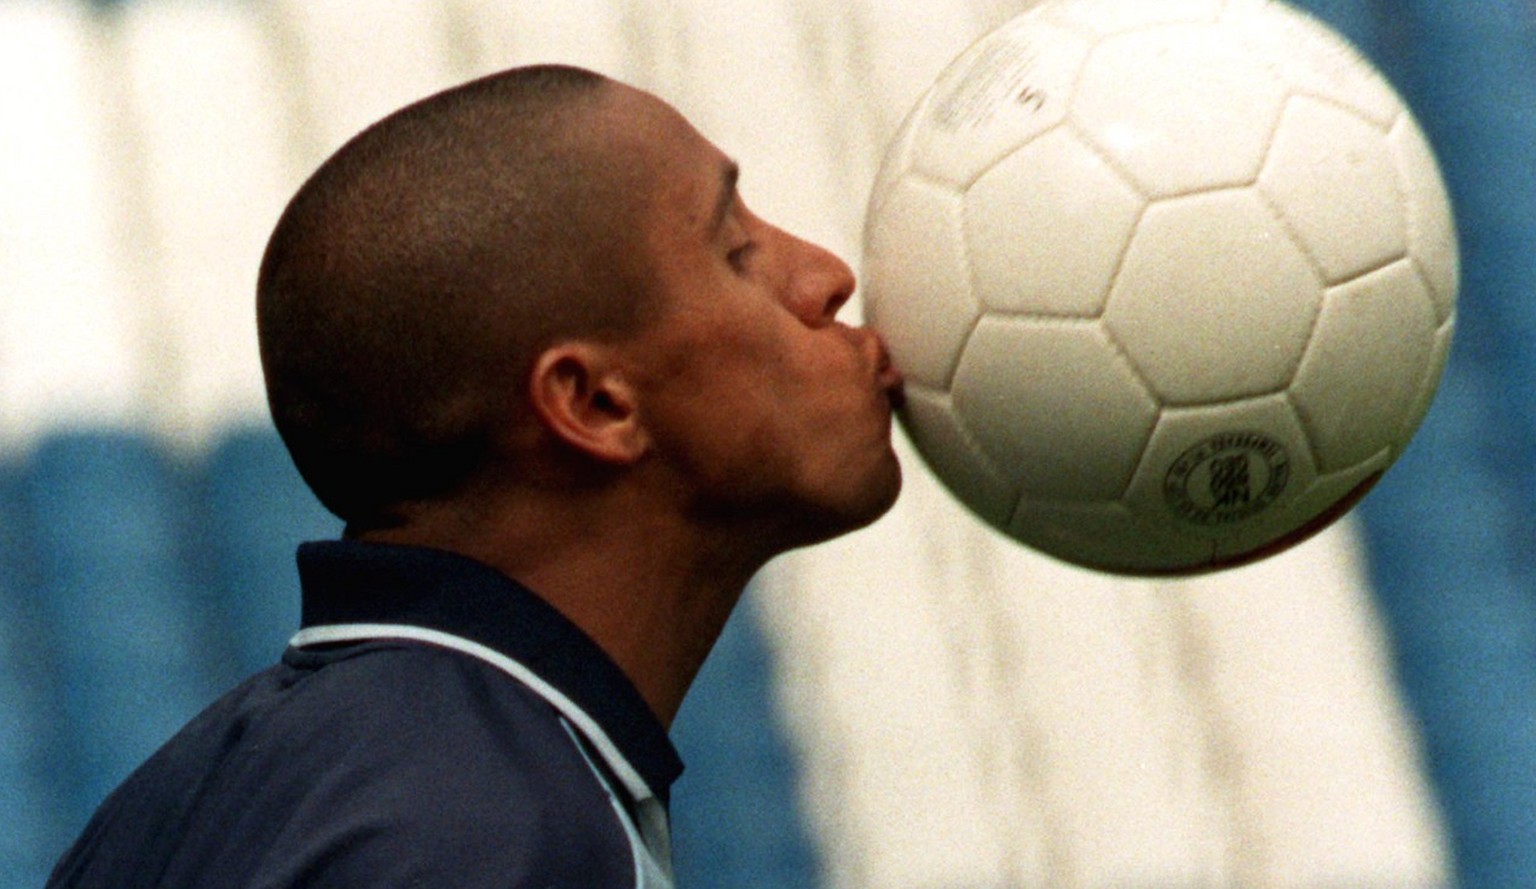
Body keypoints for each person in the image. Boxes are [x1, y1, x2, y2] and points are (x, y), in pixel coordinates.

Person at [46, 64, 904, 888]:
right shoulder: (488, 833)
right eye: (737, 251)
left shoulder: (207, 789)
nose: (827, 276)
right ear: (595, 402)